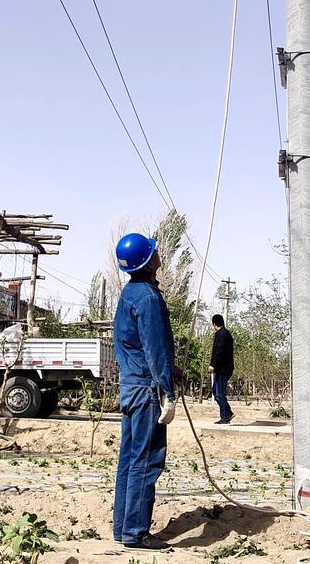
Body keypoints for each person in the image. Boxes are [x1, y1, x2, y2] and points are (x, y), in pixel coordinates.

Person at [111, 232, 176, 551]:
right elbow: (155, 348)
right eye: (155, 251)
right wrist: (168, 390)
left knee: (130, 458)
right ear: (148, 261)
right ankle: (136, 532)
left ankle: (122, 527)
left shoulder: (130, 293)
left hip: (130, 385)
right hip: (146, 388)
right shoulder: (148, 298)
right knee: (147, 459)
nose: (159, 253)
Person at [209, 313, 234, 424]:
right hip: (222, 369)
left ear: (214, 323)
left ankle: (225, 416)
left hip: (223, 369)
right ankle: (228, 412)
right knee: (215, 391)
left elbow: (219, 352)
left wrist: (213, 365)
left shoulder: (222, 334)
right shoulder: (223, 333)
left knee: (219, 393)